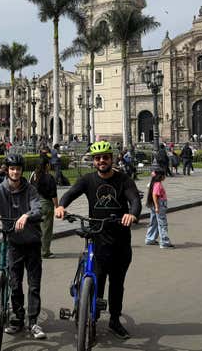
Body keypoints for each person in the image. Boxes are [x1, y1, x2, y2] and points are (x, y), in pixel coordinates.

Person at [56, 141, 141, 340]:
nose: (101, 161)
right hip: (98, 238)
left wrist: (132, 215)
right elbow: (70, 194)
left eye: (105, 157)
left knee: (117, 283)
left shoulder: (124, 180)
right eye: (97, 158)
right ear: (93, 161)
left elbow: (134, 200)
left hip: (120, 240)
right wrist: (61, 206)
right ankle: (91, 320)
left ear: (112, 158)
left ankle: (114, 320)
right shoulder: (88, 180)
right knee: (97, 280)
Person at [0, 153, 45, 340]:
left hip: (31, 242)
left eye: (18, 169)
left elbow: (39, 208)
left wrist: (27, 215)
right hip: (12, 243)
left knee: (33, 284)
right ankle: (18, 319)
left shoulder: (30, 189)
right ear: (7, 170)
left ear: (22, 171)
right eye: (12, 168)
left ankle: (33, 322)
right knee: (15, 284)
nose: (15, 172)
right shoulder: (0, 190)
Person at [30, 158, 57, 258]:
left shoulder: (33, 175)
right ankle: (45, 251)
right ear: (46, 165)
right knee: (46, 229)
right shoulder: (49, 177)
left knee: (36, 228)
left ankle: (35, 250)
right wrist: (57, 206)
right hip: (46, 203)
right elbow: (53, 194)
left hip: (35, 203)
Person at [145, 168, 174, 248]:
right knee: (162, 224)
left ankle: (150, 239)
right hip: (159, 205)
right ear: (160, 176)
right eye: (164, 175)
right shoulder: (158, 184)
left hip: (155, 205)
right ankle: (164, 242)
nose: (165, 177)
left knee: (154, 222)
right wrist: (157, 207)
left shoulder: (153, 183)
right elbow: (154, 195)